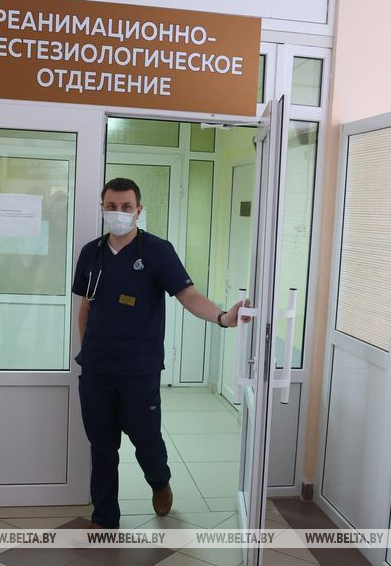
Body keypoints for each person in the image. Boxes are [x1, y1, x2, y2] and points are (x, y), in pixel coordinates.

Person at [71, 177, 250, 530]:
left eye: (126, 207)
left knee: (146, 439)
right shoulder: (91, 253)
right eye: (111, 206)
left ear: (138, 211)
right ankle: (105, 518)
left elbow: (189, 296)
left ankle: (159, 481)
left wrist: (222, 317)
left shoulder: (157, 251)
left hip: (140, 368)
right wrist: (87, 352)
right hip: (97, 369)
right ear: (102, 208)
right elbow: (86, 307)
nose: (118, 213)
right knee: (102, 446)